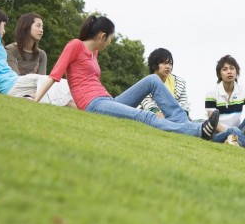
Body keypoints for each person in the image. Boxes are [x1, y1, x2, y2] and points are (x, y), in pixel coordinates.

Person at [34, 15, 219, 139]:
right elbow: (54, 75)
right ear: (102, 36)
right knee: (144, 115)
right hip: (94, 105)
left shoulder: (94, 54)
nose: (110, 42)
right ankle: (197, 131)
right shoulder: (75, 45)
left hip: (106, 100)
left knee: (153, 80)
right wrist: (35, 102)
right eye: (110, 38)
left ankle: (183, 123)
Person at [205, 54, 245, 146]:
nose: (229, 72)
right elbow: (213, 122)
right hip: (218, 133)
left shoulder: (242, 90)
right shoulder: (212, 93)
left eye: (232, 68)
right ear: (219, 75)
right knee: (233, 130)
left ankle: (237, 141)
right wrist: (231, 132)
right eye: (224, 69)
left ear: (236, 72)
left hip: (238, 131)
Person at [138, 48, 190, 118]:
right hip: (152, 117)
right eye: (164, 63)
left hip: (176, 118)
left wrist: (179, 117)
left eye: (170, 63)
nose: (168, 67)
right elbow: (146, 102)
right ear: (154, 64)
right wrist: (158, 114)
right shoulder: (147, 82)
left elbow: (184, 104)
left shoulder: (180, 82)